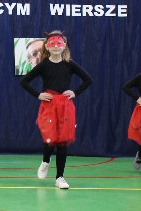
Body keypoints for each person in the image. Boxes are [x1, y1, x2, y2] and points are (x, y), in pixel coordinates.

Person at [19, 30, 92, 189]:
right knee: (50, 139)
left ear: (64, 45)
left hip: (65, 106)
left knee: (62, 142)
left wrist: (75, 92)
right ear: (47, 46)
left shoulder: (69, 64)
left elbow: (88, 79)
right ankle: (46, 161)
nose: (56, 46)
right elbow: (24, 81)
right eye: (52, 43)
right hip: (49, 105)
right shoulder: (44, 65)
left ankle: (60, 177)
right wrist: (38, 95)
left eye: (59, 43)